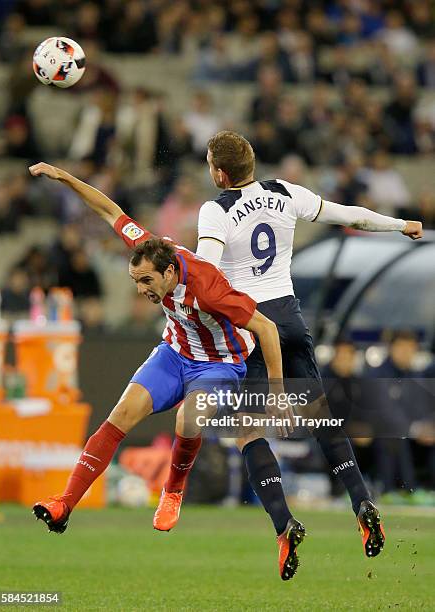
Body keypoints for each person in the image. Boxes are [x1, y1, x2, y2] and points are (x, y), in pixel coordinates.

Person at [156, 131, 423, 572]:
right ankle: (362, 503)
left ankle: (284, 526)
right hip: (292, 322)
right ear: (252, 163)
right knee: (319, 416)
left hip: (251, 327)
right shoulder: (284, 192)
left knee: (249, 432)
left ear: (219, 173)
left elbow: (204, 270)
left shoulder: (215, 209)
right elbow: (348, 215)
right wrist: (400, 225)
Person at [27, 161, 303, 578]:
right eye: (137, 281)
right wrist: (65, 178)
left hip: (219, 365)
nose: (141, 291)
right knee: (119, 414)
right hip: (174, 354)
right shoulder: (153, 249)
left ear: (171, 272)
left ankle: (173, 491)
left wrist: (279, 393)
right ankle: (64, 503)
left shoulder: (211, 288)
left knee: (188, 419)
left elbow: (265, 328)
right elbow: (110, 211)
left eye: (146, 282)